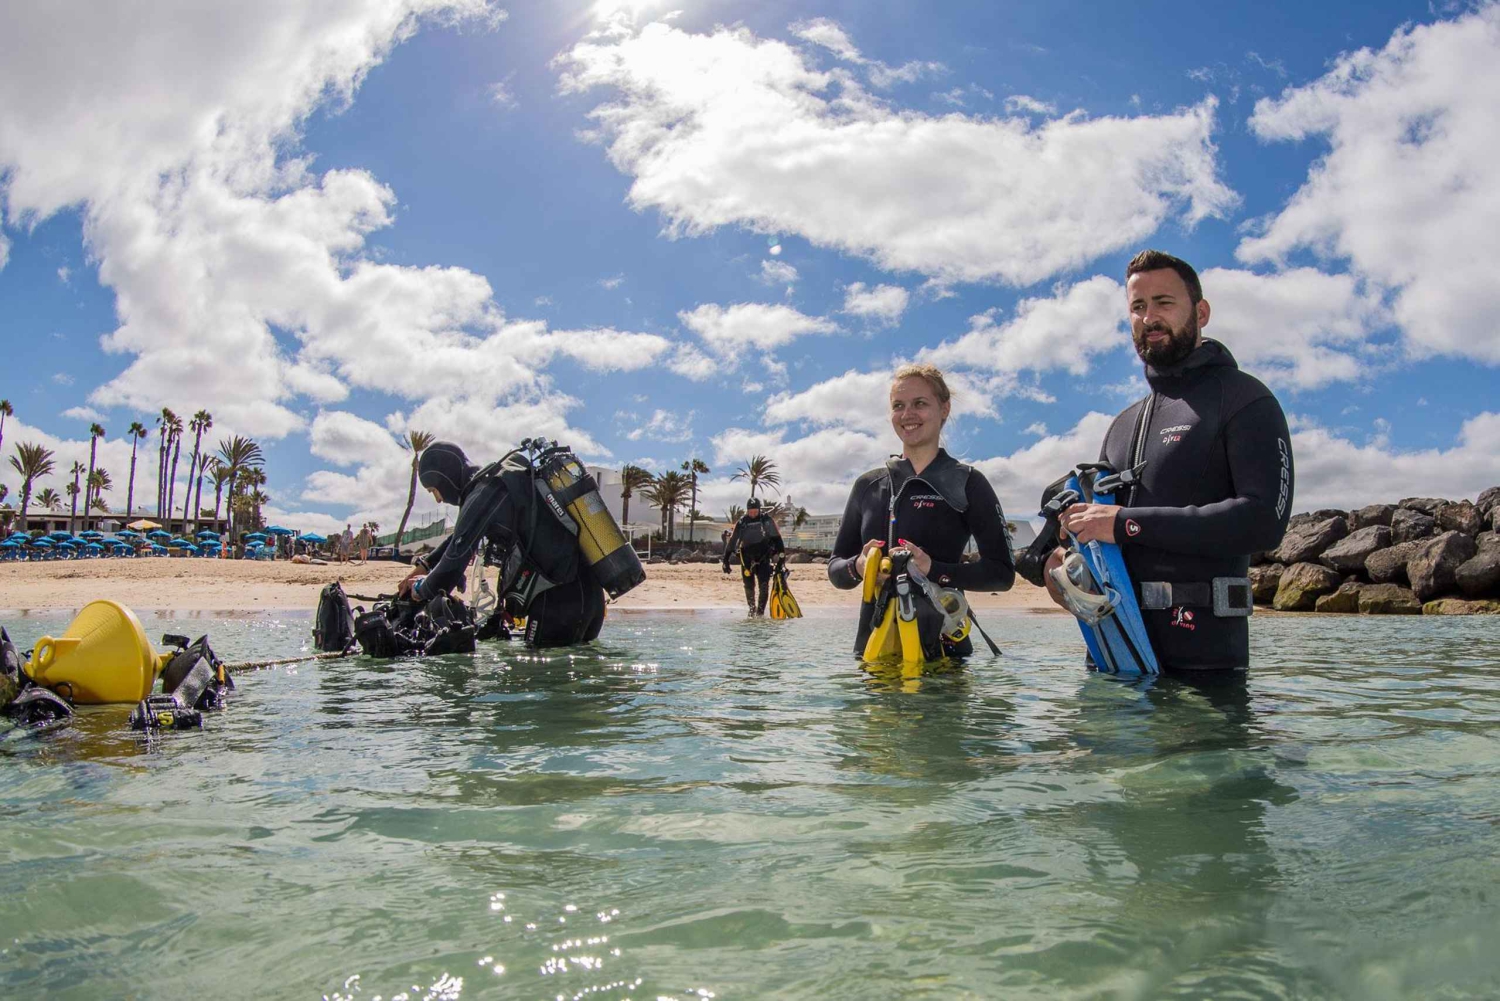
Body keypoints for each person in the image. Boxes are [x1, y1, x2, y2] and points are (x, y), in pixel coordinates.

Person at [1043, 249, 1293, 672]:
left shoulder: (1244, 399)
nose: (1149, 316)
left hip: (1205, 671)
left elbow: (1264, 521)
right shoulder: (1123, 424)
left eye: (1164, 302)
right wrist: (1066, 572)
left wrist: (1125, 523)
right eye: (1138, 306)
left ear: (1201, 312)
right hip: (1113, 660)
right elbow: (1107, 545)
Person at [827, 364, 1015, 656]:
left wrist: (933, 569)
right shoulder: (868, 485)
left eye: (920, 404)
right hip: (874, 652)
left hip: (946, 656)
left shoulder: (968, 483)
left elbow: (1002, 575)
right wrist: (860, 567)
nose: (907, 414)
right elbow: (836, 569)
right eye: (898, 406)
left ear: (944, 409)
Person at [396, 441, 605, 648]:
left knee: (535, 678)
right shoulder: (500, 482)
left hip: (558, 601)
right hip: (591, 596)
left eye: (433, 490)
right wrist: (422, 568)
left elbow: (451, 567)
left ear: (444, 478)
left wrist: (418, 589)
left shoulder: (483, 493)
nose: (438, 500)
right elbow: (458, 539)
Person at [722, 498, 785, 615]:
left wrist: (781, 559)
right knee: (749, 586)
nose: (753, 514)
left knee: (764, 585)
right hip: (746, 559)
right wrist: (725, 560)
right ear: (747, 511)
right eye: (750, 512)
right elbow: (732, 541)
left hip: (763, 558)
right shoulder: (742, 522)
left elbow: (778, 540)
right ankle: (751, 609)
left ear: (759, 510)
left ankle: (760, 613)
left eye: (755, 511)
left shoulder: (766, 520)